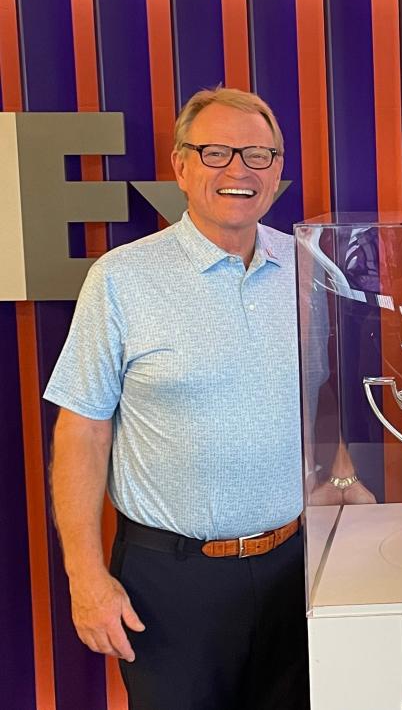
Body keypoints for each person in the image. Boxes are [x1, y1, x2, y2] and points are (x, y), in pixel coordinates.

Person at [45, 87, 314, 709]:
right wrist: (85, 576)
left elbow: (317, 400)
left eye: (258, 154)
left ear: (277, 170)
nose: (238, 170)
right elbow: (81, 430)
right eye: (216, 152)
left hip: (294, 570)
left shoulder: (306, 268)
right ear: (181, 166)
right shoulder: (121, 278)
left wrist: (345, 477)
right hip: (169, 580)